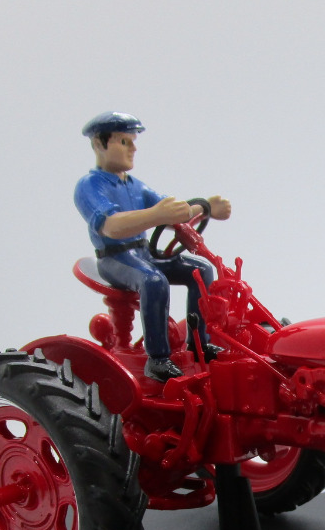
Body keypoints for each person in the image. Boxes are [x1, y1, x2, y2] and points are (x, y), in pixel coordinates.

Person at [74, 112, 232, 381]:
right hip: (115, 258)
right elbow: (111, 226)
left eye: (133, 141)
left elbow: (173, 212)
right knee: (153, 280)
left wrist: (205, 208)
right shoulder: (89, 186)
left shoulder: (135, 186)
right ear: (99, 144)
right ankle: (158, 359)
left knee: (201, 270)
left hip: (144, 253)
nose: (133, 148)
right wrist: (157, 215)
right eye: (124, 141)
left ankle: (199, 344)